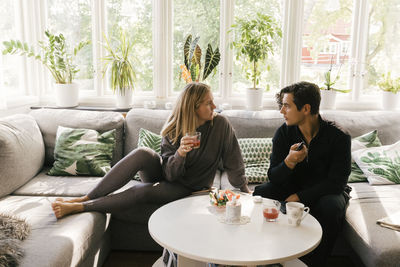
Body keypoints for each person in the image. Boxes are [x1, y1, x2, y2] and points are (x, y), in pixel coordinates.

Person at [52, 82, 250, 219]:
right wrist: (180, 153)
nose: (214, 106)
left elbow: (234, 161)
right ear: (194, 107)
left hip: (188, 187)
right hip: (170, 175)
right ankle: (87, 197)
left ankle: (80, 207)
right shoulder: (173, 129)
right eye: (208, 103)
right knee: (143, 153)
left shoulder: (220, 124)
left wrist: (244, 190)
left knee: (142, 191)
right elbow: (169, 174)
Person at [253, 81, 351, 266]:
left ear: (306, 108)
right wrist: (289, 162)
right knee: (261, 192)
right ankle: (266, 255)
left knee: (331, 206)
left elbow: (336, 183)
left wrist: (299, 196)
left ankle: (314, 262)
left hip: (325, 191)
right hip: (291, 187)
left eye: (287, 106)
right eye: (282, 105)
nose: (282, 111)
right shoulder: (283, 132)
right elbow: (273, 176)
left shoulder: (339, 136)